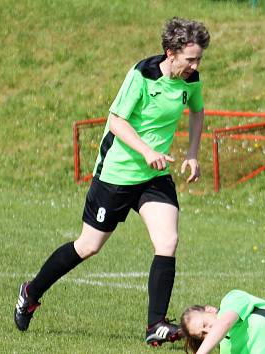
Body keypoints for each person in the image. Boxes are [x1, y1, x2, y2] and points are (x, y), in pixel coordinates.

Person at [13, 17, 210, 346]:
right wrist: (147, 150)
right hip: (118, 173)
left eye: (199, 58)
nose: (195, 65)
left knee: (168, 241)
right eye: (190, 58)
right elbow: (116, 122)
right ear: (170, 53)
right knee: (88, 246)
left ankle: (155, 324)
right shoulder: (142, 75)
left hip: (154, 175)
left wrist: (192, 152)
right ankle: (30, 293)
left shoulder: (191, 81)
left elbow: (198, 111)